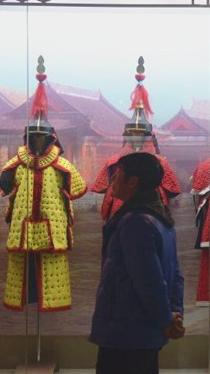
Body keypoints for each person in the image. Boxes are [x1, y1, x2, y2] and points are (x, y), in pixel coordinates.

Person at [89, 152, 185, 374]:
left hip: (126, 331)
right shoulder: (161, 218)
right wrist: (174, 313)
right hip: (143, 331)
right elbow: (175, 275)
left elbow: (149, 282)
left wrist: (166, 320)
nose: (112, 180)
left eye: (118, 174)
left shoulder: (135, 222)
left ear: (133, 182)